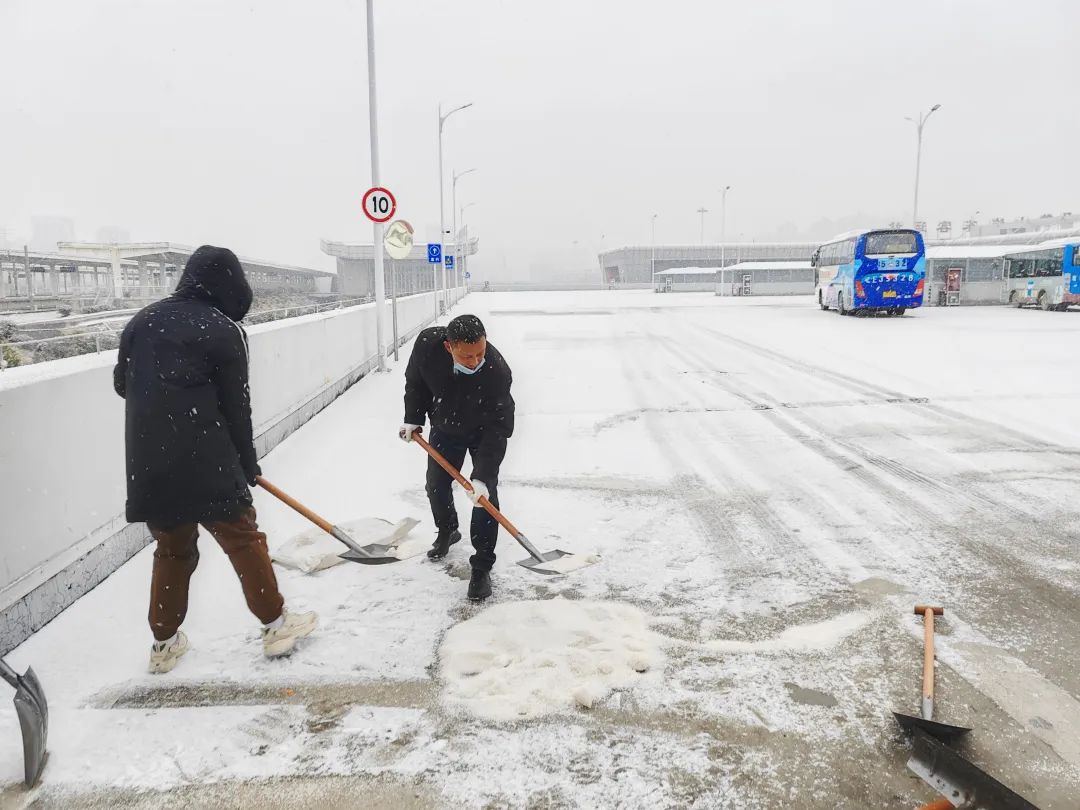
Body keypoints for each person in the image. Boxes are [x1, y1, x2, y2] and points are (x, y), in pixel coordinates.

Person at [113, 245, 317, 673]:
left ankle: (164, 645)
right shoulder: (222, 330)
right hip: (208, 457)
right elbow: (236, 408)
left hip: (152, 462)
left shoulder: (141, 322)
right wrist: (248, 463)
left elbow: (122, 385)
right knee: (243, 540)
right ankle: (276, 625)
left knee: (172, 549)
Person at [400, 314, 515, 601]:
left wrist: (483, 477)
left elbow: (499, 428)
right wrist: (413, 418)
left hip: (482, 432)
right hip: (445, 427)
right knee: (436, 486)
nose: (475, 361)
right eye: (467, 357)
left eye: (480, 353)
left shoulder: (497, 372)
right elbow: (415, 382)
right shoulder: (427, 346)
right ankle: (447, 530)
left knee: (484, 499)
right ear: (449, 347)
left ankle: (482, 566)